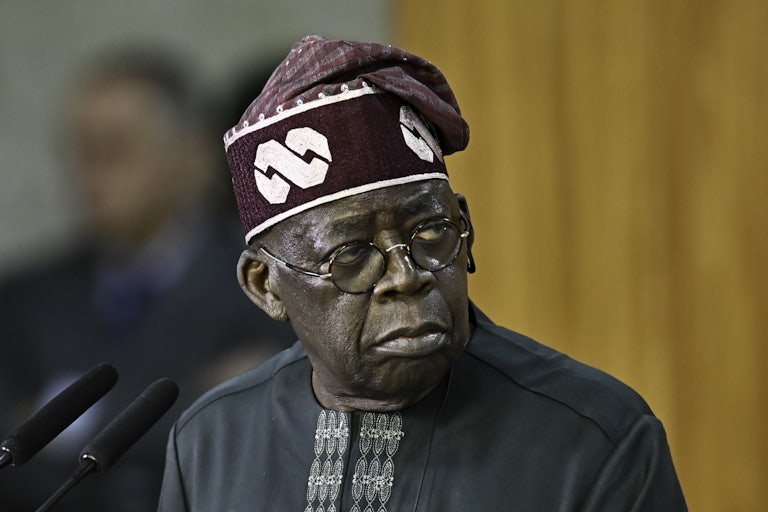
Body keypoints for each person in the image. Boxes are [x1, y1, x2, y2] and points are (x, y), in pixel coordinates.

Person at [157, 36, 687, 511]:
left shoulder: (594, 436)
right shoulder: (211, 442)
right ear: (264, 285)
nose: (406, 277)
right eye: (352, 255)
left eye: (431, 233)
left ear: (468, 232)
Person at [0, 48, 295, 511]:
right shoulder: (23, 301)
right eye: (80, 151)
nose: (90, 174)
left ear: (191, 156)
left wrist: (63, 416)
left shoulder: (268, 282)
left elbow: (265, 432)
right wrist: (196, 391)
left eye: (115, 149)